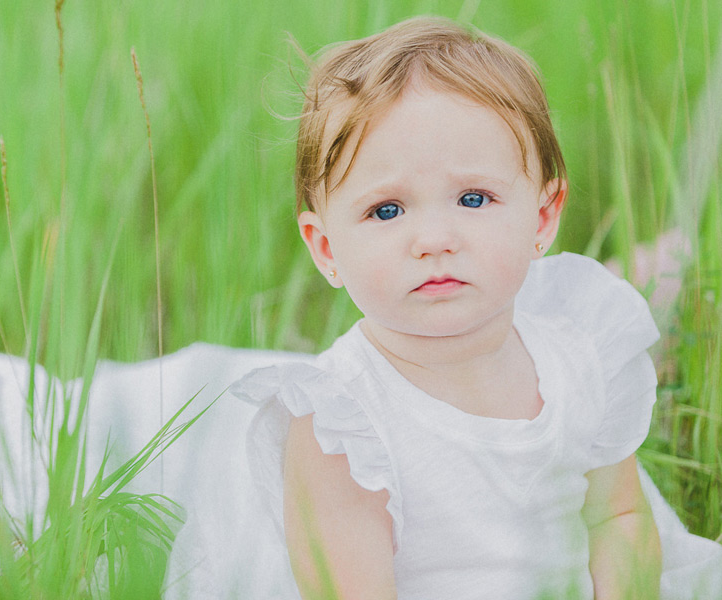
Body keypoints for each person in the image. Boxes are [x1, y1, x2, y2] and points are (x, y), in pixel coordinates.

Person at [162, 16, 721, 600]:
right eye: (386, 210)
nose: (433, 238)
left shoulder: (578, 355)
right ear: (327, 248)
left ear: (543, 217)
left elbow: (619, 519)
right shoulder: (343, 425)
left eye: (473, 198)